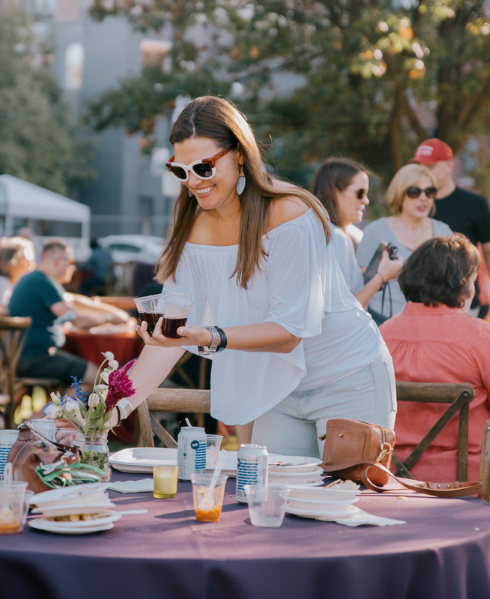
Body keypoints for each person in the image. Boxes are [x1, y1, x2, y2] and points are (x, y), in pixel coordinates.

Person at [109, 96, 396, 458]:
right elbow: (168, 340)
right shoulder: (190, 226)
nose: (193, 182)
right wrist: (104, 414)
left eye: (203, 167)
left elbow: (290, 332)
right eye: (180, 171)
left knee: (348, 504)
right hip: (278, 387)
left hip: (348, 376)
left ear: (239, 154)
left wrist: (210, 336)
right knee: (270, 499)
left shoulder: (290, 215)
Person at [380, 234, 490, 481]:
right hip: (467, 485)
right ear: (461, 283)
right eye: (473, 280)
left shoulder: (381, 334)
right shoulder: (480, 336)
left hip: (392, 479)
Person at [9, 238, 129, 387]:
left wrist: (113, 313)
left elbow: (71, 302)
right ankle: (45, 412)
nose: (73, 267)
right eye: (71, 262)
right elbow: (79, 321)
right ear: (58, 261)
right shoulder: (44, 283)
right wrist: (110, 317)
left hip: (19, 357)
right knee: (97, 376)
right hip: (34, 358)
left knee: (82, 385)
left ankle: (55, 410)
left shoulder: (32, 279)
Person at [356, 164, 452, 323]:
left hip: (431, 322)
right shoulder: (376, 231)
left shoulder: (444, 232)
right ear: (400, 194)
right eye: (414, 192)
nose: (423, 198)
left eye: (429, 192)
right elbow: (360, 285)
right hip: (383, 320)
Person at [409, 138, 490, 318]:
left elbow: (488, 252)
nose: (424, 173)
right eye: (420, 167)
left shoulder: (474, 204)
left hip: (464, 303)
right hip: (419, 304)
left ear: (449, 165)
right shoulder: (411, 204)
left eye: (429, 167)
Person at [311, 158, 403, 307]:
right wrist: (382, 276)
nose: (366, 201)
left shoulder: (319, 230)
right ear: (335, 192)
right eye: (360, 193)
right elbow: (347, 308)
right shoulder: (335, 237)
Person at [0, 237, 36, 325]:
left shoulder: (10, 283)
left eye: (32, 261)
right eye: (26, 260)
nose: (30, 265)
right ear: (11, 262)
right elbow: (1, 314)